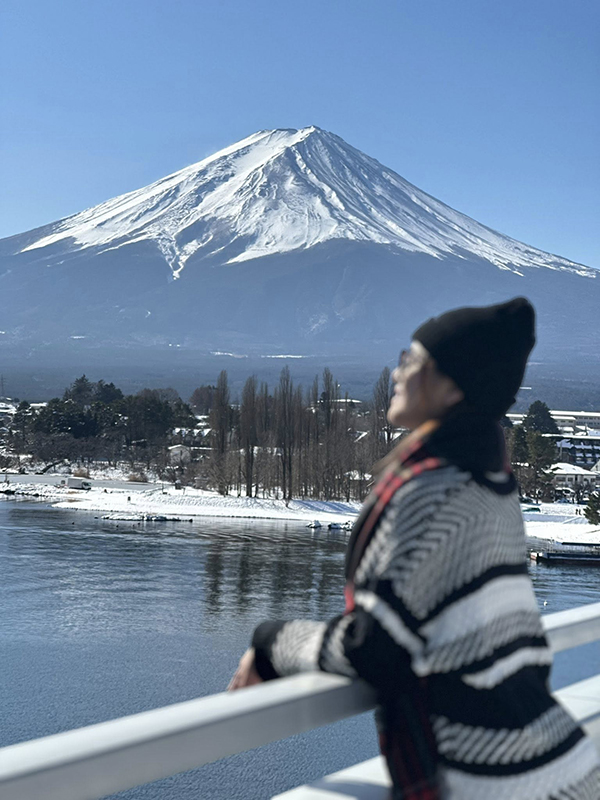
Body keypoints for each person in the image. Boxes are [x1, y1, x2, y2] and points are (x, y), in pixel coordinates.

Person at [229, 298, 600, 799]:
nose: (398, 370)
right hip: (552, 761)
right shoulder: (491, 479)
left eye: (412, 359)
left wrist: (272, 641)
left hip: (497, 781)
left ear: (450, 385)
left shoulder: (434, 489)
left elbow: (378, 647)